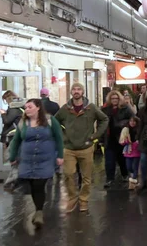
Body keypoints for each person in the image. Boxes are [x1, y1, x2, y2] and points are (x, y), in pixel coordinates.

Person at [8, 99, 64, 228]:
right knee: (33, 184)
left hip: (46, 159)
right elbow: (16, 140)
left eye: (30, 107)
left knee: (39, 183)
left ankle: (39, 212)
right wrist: (12, 156)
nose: (27, 109)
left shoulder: (50, 120)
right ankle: (38, 209)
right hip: (27, 159)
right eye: (26, 107)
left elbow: (59, 137)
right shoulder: (24, 123)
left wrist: (60, 155)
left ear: (38, 107)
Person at [55, 83, 109, 213]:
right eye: (74, 89)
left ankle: (84, 200)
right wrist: (62, 137)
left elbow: (104, 119)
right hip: (69, 148)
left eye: (79, 89)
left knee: (86, 177)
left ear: (83, 92)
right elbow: (55, 121)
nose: (76, 91)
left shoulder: (91, 108)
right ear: (71, 92)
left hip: (86, 147)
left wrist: (95, 135)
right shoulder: (65, 109)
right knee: (68, 174)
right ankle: (72, 198)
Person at [102, 91, 134, 188]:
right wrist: (100, 139)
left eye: (116, 98)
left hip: (121, 137)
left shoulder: (125, 108)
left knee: (122, 159)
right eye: (112, 98)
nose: (114, 100)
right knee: (109, 160)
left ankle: (125, 174)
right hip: (109, 138)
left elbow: (133, 119)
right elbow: (101, 124)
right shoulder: (105, 109)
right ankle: (109, 178)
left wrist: (123, 124)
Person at [120, 116, 141, 190]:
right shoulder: (126, 130)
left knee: (135, 166)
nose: (132, 122)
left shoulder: (138, 130)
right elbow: (122, 141)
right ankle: (134, 176)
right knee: (129, 167)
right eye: (131, 121)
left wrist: (137, 143)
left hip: (136, 151)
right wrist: (126, 142)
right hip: (128, 151)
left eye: (134, 121)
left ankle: (134, 181)